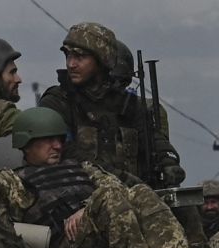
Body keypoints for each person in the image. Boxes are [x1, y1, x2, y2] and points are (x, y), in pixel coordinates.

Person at [0, 107, 210, 248]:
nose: (57, 146)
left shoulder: (83, 168)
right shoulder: (6, 181)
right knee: (109, 197)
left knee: (140, 192)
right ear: (27, 141)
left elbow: (117, 188)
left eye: (60, 139)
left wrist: (85, 209)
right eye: (48, 140)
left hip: (103, 241)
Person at [38, 22, 184, 188]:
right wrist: (117, 177)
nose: (71, 64)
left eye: (80, 57)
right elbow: (66, 153)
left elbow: (154, 140)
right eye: (68, 56)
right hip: (78, 195)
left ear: (102, 60)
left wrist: (168, 161)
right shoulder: (58, 102)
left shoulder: (129, 105)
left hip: (133, 196)